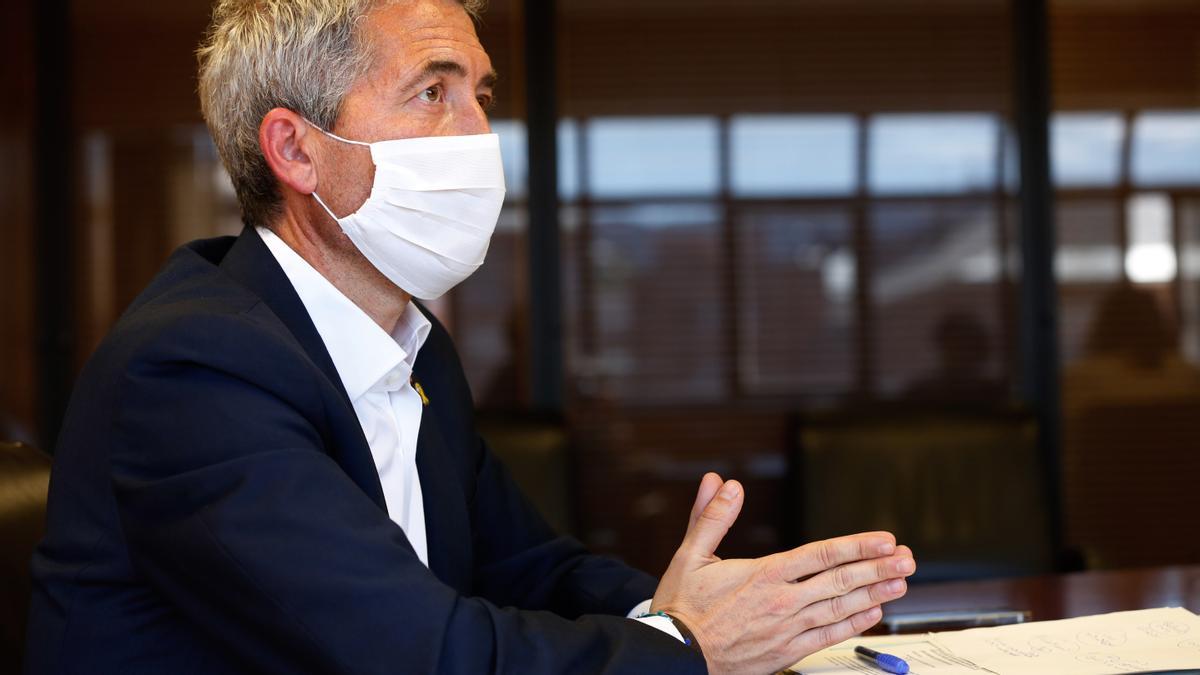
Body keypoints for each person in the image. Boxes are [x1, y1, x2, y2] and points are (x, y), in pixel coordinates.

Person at [24, 1, 915, 673]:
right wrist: (685, 645)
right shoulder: (195, 369)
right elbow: (416, 653)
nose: (481, 135)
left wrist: (693, 605)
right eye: (433, 92)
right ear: (295, 152)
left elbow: (523, 566)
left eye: (480, 95)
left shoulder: (411, 346)